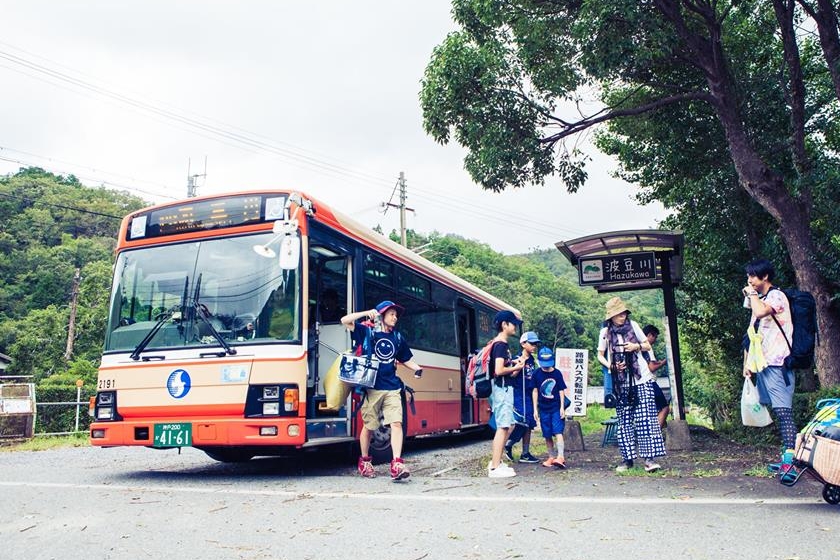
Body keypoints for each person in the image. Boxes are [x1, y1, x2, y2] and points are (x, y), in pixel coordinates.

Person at [341, 300, 423, 481]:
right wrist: (365, 313)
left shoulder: (397, 337)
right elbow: (345, 320)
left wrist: (417, 368)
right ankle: (365, 461)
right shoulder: (366, 331)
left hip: (392, 387)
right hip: (372, 388)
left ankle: (397, 464)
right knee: (369, 427)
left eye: (396, 315)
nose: (395, 317)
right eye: (391, 314)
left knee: (396, 423)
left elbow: (405, 358)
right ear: (381, 315)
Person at [741, 258, 797, 474]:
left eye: (753, 276)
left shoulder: (776, 296)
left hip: (778, 364)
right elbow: (751, 333)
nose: (749, 280)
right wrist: (747, 363)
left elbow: (761, 312)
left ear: (765, 276)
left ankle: (791, 462)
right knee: (777, 411)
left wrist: (752, 295)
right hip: (763, 364)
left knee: (784, 412)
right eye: (748, 276)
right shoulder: (761, 298)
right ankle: (786, 458)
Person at [597, 297, 665, 473]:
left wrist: (635, 346)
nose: (622, 317)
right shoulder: (605, 332)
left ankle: (649, 460)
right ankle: (627, 460)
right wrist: (611, 366)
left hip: (641, 377)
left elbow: (647, 346)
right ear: (611, 316)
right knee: (624, 420)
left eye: (624, 313)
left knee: (646, 419)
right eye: (618, 314)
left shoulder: (633, 325)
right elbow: (600, 355)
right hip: (620, 382)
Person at [487, 309, 525, 478]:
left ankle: (497, 462)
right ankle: (495, 467)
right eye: (513, 324)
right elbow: (499, 370)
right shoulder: (500, 344)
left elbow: (506, 372)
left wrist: (517, 366)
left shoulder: (499, 344)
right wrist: (515, 366)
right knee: (503, 427)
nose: (515, 327)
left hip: (504, 388)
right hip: (502, 390)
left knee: (507, 425)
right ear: (504, 324)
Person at [504, 331, 540, 464]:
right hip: (518, 393)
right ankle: (507, 444)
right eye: (532, 343)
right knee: (519, 421)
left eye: (536, 344)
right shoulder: (517, 358)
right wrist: (519, 365)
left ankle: (525, 453)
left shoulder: (532, 360)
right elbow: (512, 375)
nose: (534, 346)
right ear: (523, 344)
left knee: (529, 423)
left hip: (529, 394)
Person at [532, 345, 568, 468]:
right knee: (547, 433)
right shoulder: (536, 373)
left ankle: (561, 456)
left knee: (558, 431)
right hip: (543, 408)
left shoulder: (557, 373)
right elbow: (535, 391)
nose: (546, 366)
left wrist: (562, 407)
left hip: (555, 407)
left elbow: (561, 390)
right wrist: (535, 409)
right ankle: (551, 456)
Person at [641, 324, 671, 429]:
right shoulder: (647, 348)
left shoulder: (638, 346)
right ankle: (656, 433)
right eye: (655, 337)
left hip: (641, 383)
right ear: (649, 335)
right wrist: (663, 363)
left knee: (651, 411)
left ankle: (654, 431)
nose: (655, 340)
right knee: (665, 408)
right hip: (650, 382)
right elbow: (652, 367)